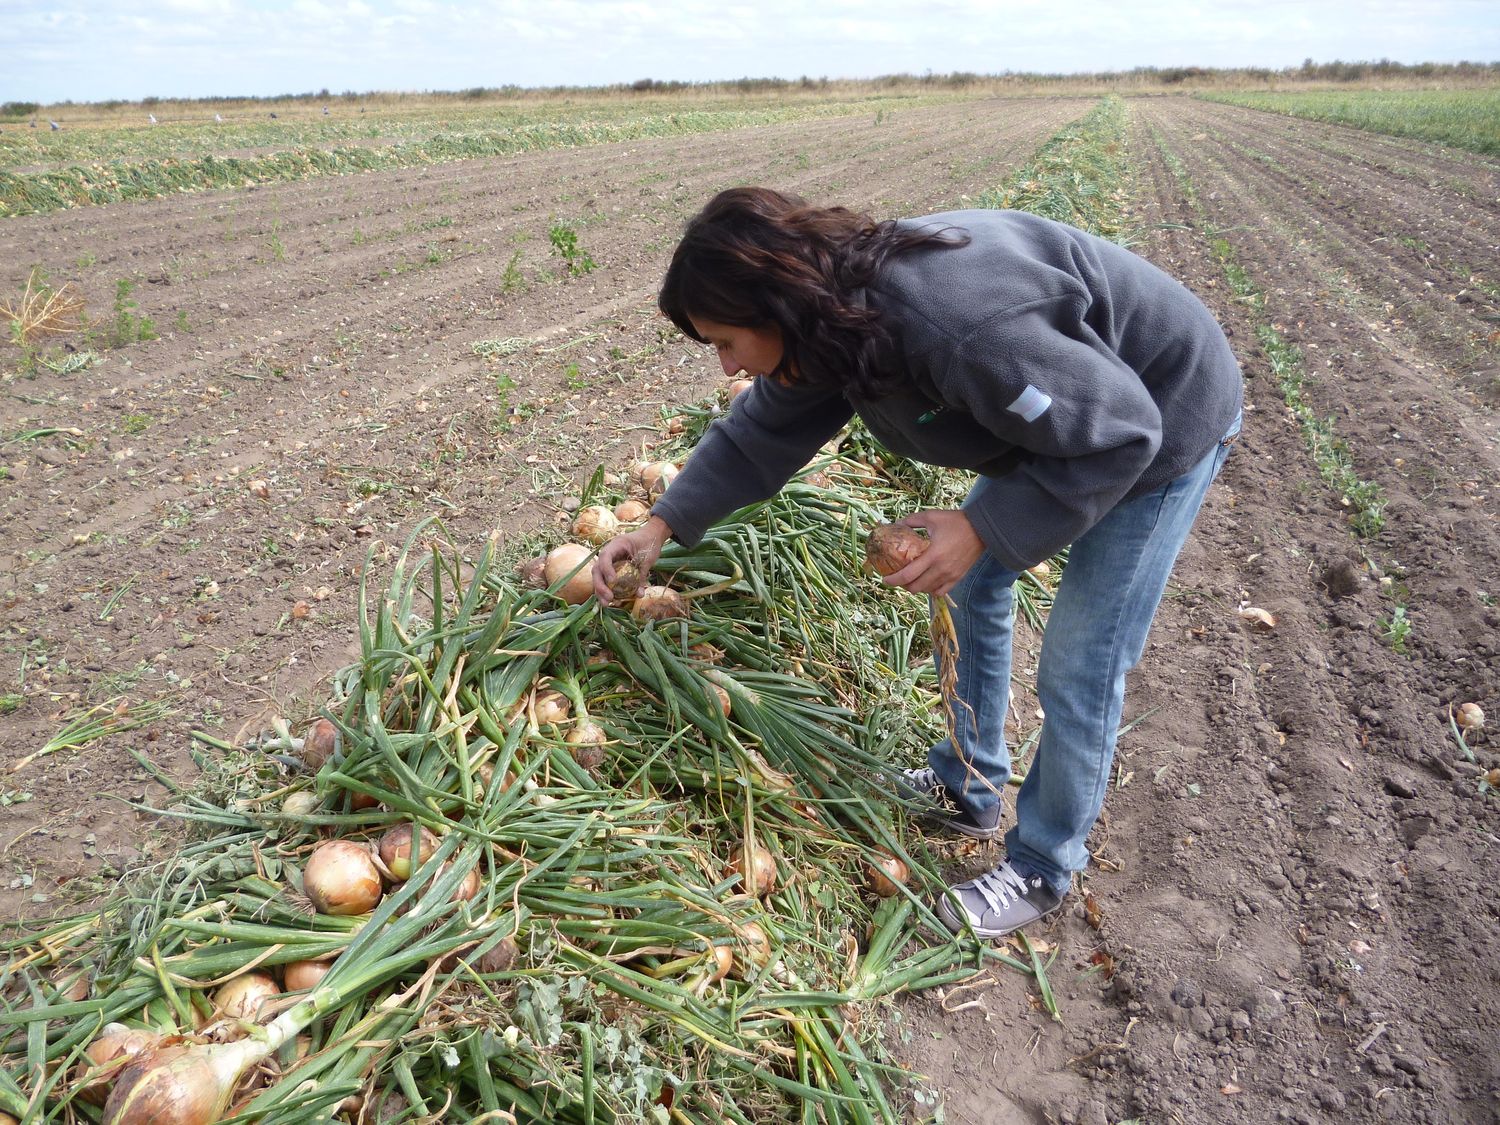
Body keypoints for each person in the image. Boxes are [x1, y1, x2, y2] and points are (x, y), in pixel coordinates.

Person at [591, 187, 1243, 939]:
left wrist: (981, 526)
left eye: (727, 341)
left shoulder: (959, 325)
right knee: (970, 586)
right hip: (1072, 420)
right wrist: (660, 527)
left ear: (776, 304)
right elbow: (758, 434)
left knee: (1082, 661)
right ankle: (968, 782)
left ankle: (1042, 864)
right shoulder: (829, 323)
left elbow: (1122, 433)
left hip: (1159, 420)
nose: (727, 364)